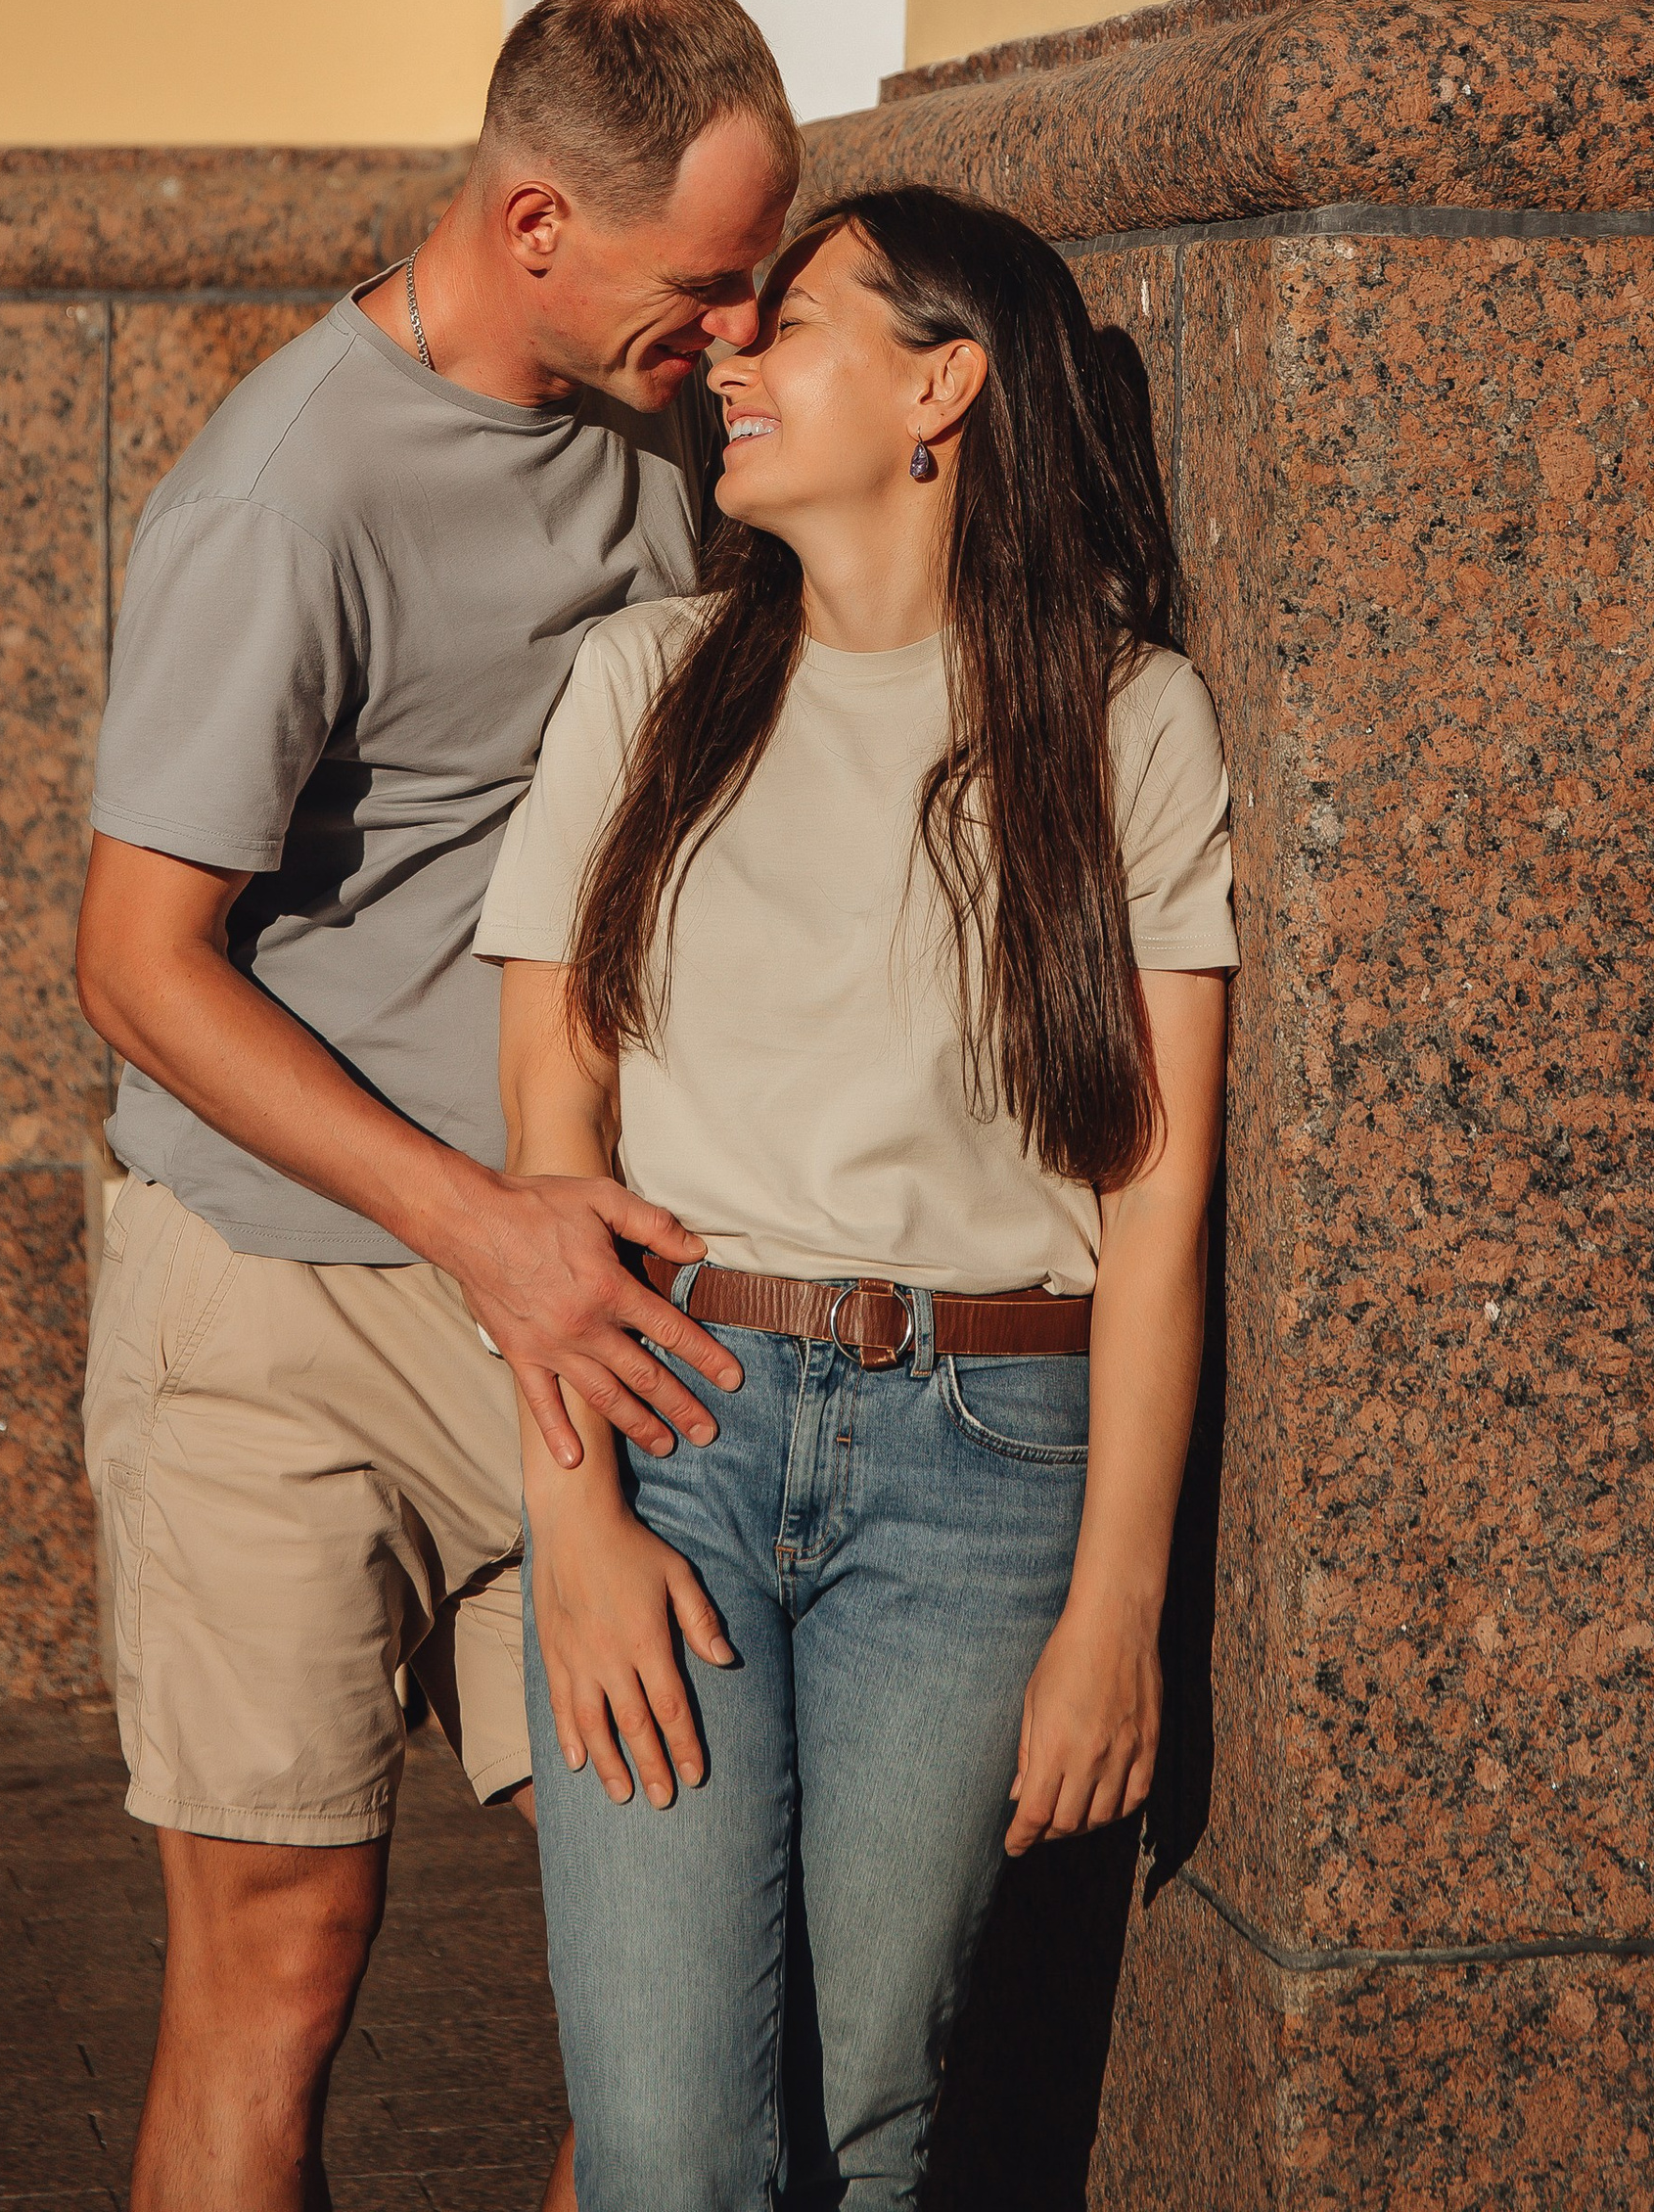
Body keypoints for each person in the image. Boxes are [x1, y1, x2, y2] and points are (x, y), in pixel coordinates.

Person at [73, 0, 800, 2212]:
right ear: (530, 229)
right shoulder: (287, 494)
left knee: (675, 1977)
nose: (743, 328)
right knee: (280, 1963)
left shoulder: (664, 415)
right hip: (288, 1311)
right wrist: (468, 1221)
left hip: (579, 1297)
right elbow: (133, 964)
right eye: (707, 285)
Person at [477, 185, 1236, 2211]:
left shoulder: (1123, 720)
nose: (726, 357)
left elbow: (1153, 1218)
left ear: (939, 384)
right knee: (661, 2149)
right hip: (675, 1422)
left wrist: (1114, 1614)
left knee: (867, 2127)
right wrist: (571, 1527)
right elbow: (546, 1141)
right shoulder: (644, 685)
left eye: (786, 321)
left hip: (989, 1460)